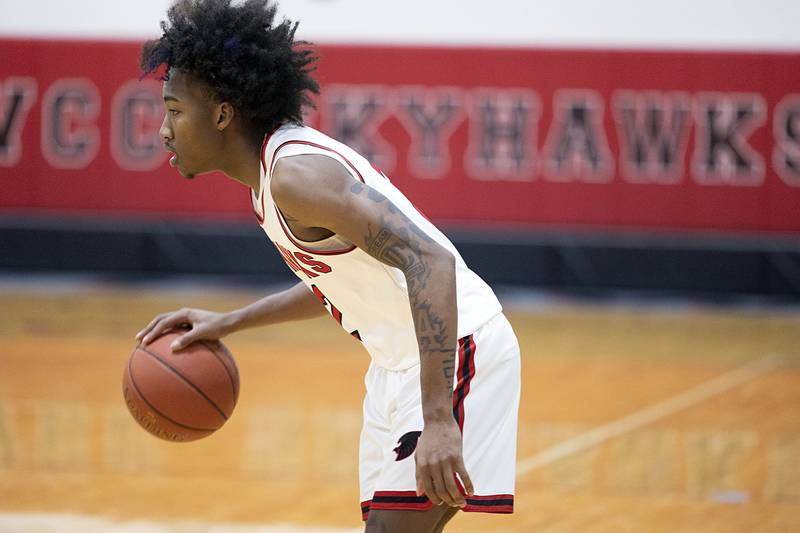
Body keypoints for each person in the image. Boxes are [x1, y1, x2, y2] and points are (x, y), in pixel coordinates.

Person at [135, 1, 520, 532]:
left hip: (456, 350)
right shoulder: (270, 184)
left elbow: (431, 261)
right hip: (396, 367)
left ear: (222, 113)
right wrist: (230, 322)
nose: (164, 130)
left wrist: (438, 419)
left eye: (175, 110)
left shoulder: (296, 176)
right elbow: (340, 284)